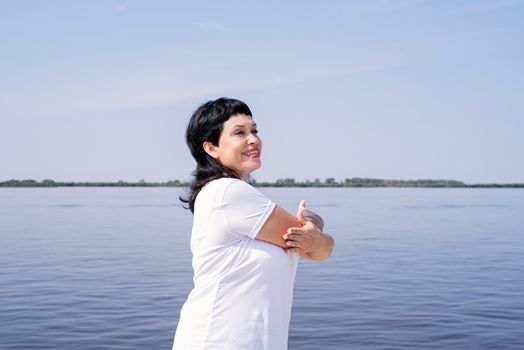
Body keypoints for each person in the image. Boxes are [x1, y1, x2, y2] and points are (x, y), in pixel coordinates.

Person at [173, 97, 334, 350]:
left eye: (254, 130)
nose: (253, 139)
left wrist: (317, 238)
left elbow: (319, 250)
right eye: (239, 132)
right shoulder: (227, 192)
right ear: (211, 148)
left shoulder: (236, 195)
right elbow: (316, 245)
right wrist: (319, 227)